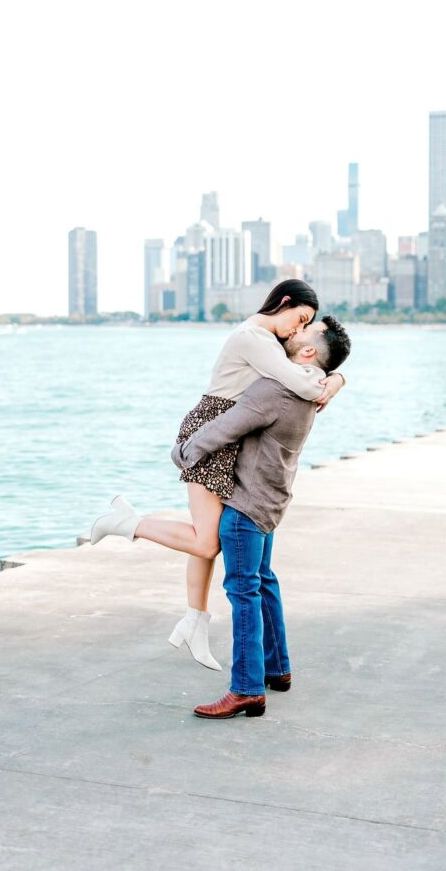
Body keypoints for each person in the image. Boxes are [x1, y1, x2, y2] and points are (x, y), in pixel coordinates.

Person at [90, 280, 346, 669]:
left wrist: (338, 377)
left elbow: (307, 362)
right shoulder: (252, 337)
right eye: (300, 319)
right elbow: (299, 380)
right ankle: (129, 523)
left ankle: (195, 619)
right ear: (286, 302)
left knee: (206, 536)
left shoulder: (274, 341)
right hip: (213, 428)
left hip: (230, 430)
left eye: (305, 325)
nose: (298, 329)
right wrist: (330, 382)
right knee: (207, 541)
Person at [171, 315, 351, 717]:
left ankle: (247, 688)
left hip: (245, 506)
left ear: (307, 352)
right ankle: (277, 667)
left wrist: (183, 451)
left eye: (302, 330)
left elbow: (225, 428)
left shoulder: (276, 389)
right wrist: (340, 380)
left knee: (242, 592)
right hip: (272, 501)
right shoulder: (312, 389)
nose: (290, 332)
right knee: (263, 581)